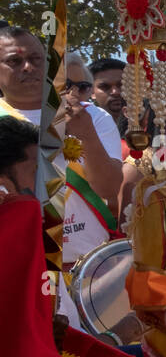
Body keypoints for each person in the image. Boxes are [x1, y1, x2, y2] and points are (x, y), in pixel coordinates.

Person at [0, 31, 125, 271]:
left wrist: (86, 133)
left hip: (90, 264)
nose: (28, 67)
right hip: (19, 267)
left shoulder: (92, 115)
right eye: (14, 61)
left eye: (37, 60)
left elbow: (109, 189)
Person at [88, 57, 127, 138]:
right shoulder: (82, 132)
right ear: (91, 92)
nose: (115, 92)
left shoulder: (151, 125)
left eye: (121, 85)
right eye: (105, 87)